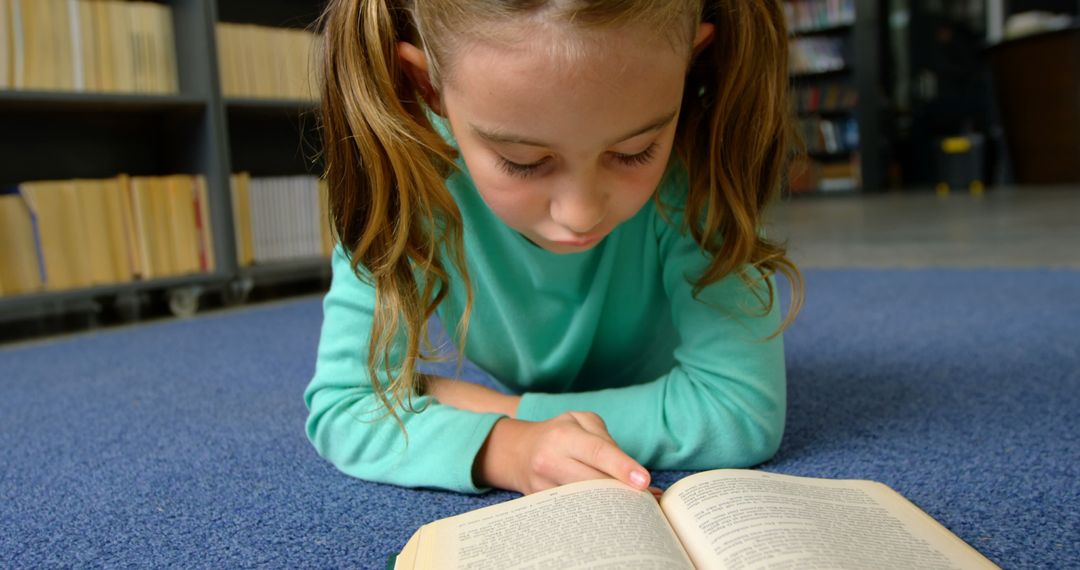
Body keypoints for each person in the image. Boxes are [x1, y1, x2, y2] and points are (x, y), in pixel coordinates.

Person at [304, 0, 804, 496]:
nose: (580, 214)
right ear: (426, 85)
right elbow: (347, 404)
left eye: (634, 152)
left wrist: (501, 410)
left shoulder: (697, 160)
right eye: (523, 161)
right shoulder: (406, 170)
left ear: (691, 62)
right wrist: (510, 450)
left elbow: (741, 411)